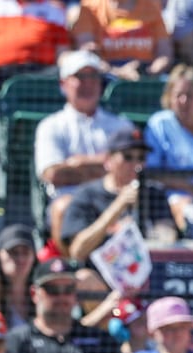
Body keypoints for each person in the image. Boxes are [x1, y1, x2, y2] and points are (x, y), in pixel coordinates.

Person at [34, 50, 134, 244]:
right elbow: (54, 175)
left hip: (114, 201)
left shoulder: (121, 125)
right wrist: (109, 165)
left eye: (93, 77)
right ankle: (70, 267)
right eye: (80, 77)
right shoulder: (50, 125)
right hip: (72, 206)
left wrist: (79, 164)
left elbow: (131, 171)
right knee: (62, 207)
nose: (88, 84)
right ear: (63, 84)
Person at [0, 0, 71, 161]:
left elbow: (62, 52)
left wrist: (72, 63)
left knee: (70, 78)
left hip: (42, 71)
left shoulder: (54, 10)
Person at [62, 128, 181, 266]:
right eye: (128, 157)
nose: (136, 165)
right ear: (108, 160)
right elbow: (78, 251)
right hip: (99, 273)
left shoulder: (154, 193)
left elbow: (168, 236)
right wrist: (118, 206)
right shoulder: (87, 194)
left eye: (141, 158)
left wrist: (139, 229)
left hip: (144, 272)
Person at [3, 260, 129, 353]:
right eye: (52, 290)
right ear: (34, 293)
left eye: (68, 289)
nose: (61, 297)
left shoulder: (101, 341)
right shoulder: (16, 341)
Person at [71, 0, 172, 81]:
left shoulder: (151, 6)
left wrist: (148, 72)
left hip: (143, 75)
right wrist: (118, 72)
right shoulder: (89, 7)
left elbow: (164, 54)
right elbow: (88, 53)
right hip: (105, 77)